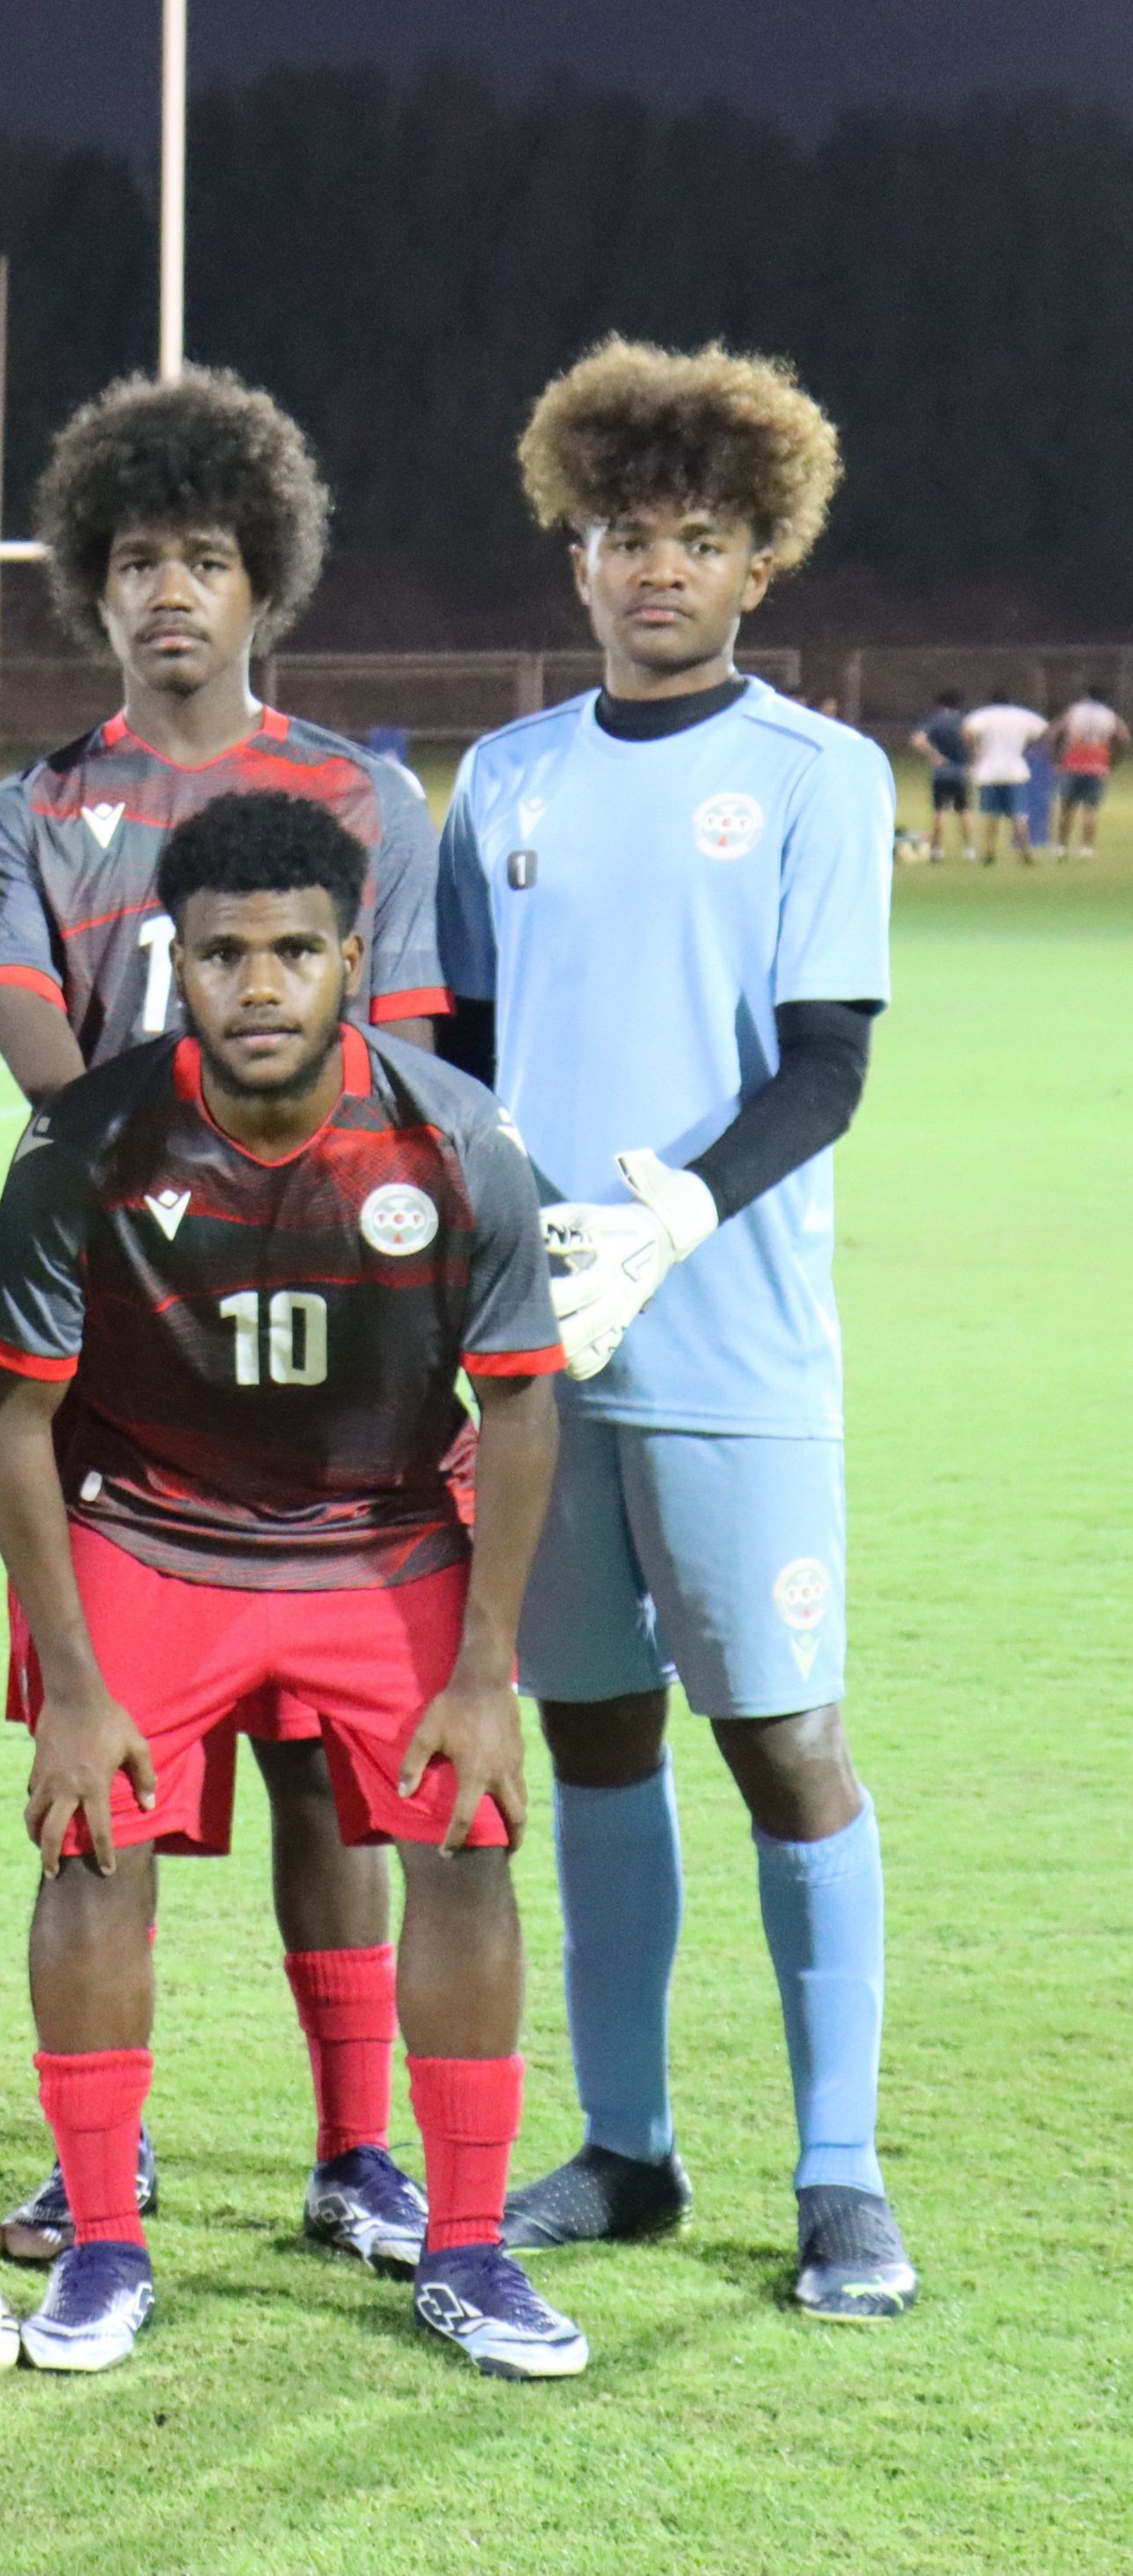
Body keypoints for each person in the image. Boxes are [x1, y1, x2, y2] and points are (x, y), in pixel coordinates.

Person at [0, 789, 578, 2378]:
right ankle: (101, 2238)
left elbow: (517, 1401)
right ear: (173, 959)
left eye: (292, 951)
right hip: (152, 1526)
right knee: (92, 1840)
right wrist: (72, 1677)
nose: (257, 983)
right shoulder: (84, 1138)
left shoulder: (458, 1139)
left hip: (377, 1529)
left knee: (458, 1831)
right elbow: (11, 1418)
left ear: (351, 959)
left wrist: (482, 1666)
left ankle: (461, 2241)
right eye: (222, 951)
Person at [439, 336, 910, 2321]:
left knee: (785, 1741)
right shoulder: (506, 780)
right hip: (540, 1354)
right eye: (623, 535)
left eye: (698, 541)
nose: (656, 571)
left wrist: (674, 1215)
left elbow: (825, 1066)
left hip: (728, 1343)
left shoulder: (817, 773)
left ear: (757, 564)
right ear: (575, 556)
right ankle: (626, 2147)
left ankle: (841, 2175)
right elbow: (458, 1060)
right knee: (595, 1737)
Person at [0, 365, 448, 2270]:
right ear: (96, 581)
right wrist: (150, 1206)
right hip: (118, 1349)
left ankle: (354, 2148)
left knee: (341, 1762)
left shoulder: (363, 796)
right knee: (111, 1770)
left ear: (269, 584)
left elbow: (402, 1055)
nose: (174, 593)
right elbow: (24, 1027)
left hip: (341, 1333)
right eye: (142, 560)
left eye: (211, 560)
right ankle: (113, 2150)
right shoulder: (40, 808)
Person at [959, 686, 1046, 864]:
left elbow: (967, 730)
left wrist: (976, 749)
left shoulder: (983, 715)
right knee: (1019, 815)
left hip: (989, 771)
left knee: (991, 815)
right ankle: (1025, 853)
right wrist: (1026, 746)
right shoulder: (1022, 716)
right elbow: (1043, 729)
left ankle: (990, 854)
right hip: (1016, 771)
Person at [1049, 684, 1117, 857]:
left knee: (1067, 808)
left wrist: (1056, 756)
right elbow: (1123, 736)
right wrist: (1113, 759)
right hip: (1097, 766)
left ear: (1086, 696)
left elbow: (1057, 732)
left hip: (1073, 764)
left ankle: (1061, 847)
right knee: (1091, 809)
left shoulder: (1075, 711)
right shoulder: (1109, 715)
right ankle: (1086, 849)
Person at [904, 692, 971, 863]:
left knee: (939, 811)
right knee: (963, 811)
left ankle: (937, 849)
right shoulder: (964, 720)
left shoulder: (934, 720)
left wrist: (934, 754)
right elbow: (972, 739)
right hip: (959, 771)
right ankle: (969, 849)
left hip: (940, 772)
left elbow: (917, 740)